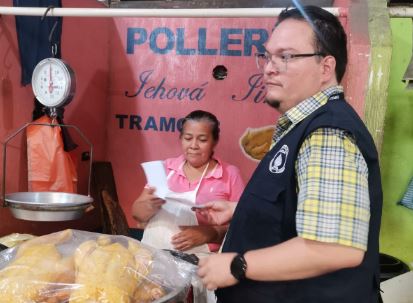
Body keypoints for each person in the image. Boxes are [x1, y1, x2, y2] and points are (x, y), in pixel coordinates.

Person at [196, 5, 383, 303]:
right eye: (268, 56)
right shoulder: (303, 126)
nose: (269, 67)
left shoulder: (327, 134)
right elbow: (301, 212)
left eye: (286, 56)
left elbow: (335, 247)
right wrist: (241, 212)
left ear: (325, 67)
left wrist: (236, 265)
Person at [131, 110, 245, 254]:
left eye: (202, 140)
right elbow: (137, 214)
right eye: (188, 138)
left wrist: (210, 233)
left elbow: (243, 225)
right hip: (153, 255)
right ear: (181, 138)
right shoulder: (165, 169)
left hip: (201, 263)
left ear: (214, 142)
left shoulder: (229, 174)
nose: (193, 146)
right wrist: (148, 206)